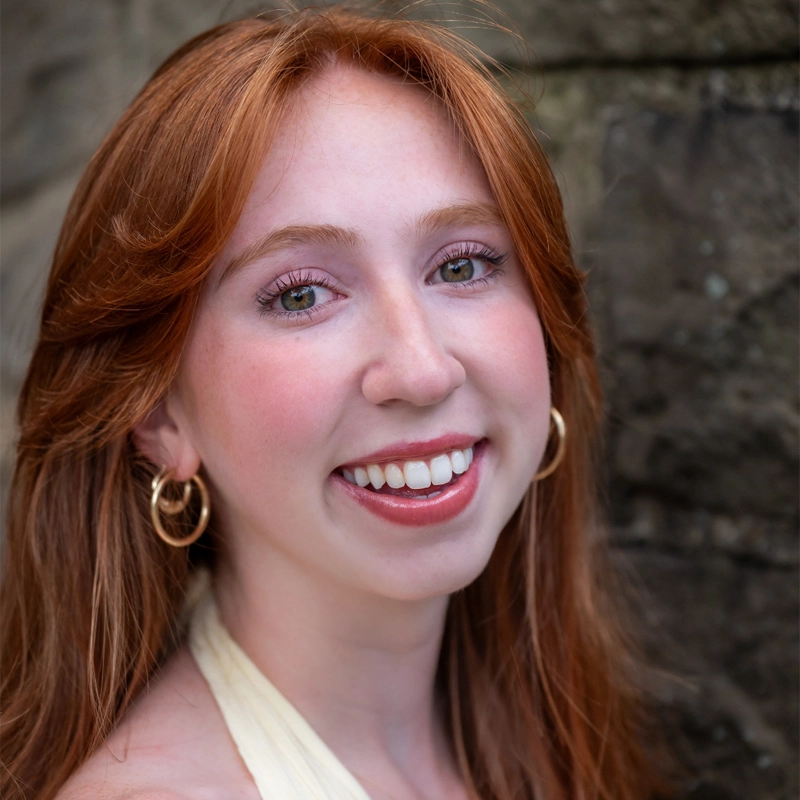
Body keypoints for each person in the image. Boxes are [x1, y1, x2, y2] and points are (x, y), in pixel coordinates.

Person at [0, 6, 661, 799]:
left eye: (461, 266)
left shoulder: (535, 739)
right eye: (302, 293)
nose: (421, 371)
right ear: (160, 418)